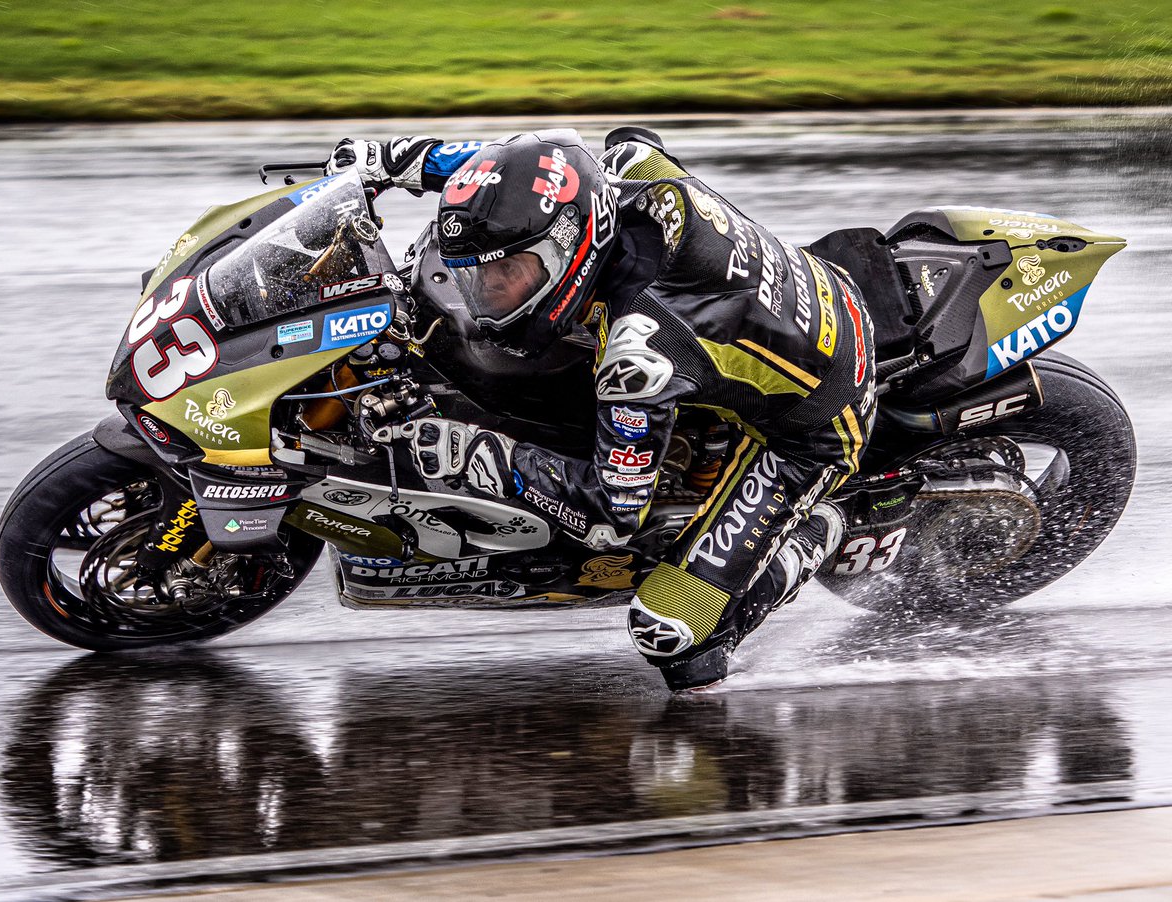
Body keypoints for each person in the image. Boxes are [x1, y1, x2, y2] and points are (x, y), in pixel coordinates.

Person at [325, 128, 876, 690]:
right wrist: (398, 160)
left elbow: (612, 512)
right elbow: (528, 175)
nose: (486, 294)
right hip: (809, 293)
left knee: (670, 633)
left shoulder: (640, 352)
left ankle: (817, 532)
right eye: (477, 276)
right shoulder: (625, 168)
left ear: (571, 243)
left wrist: (483, 454)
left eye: (508, 274)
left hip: (812, 427)